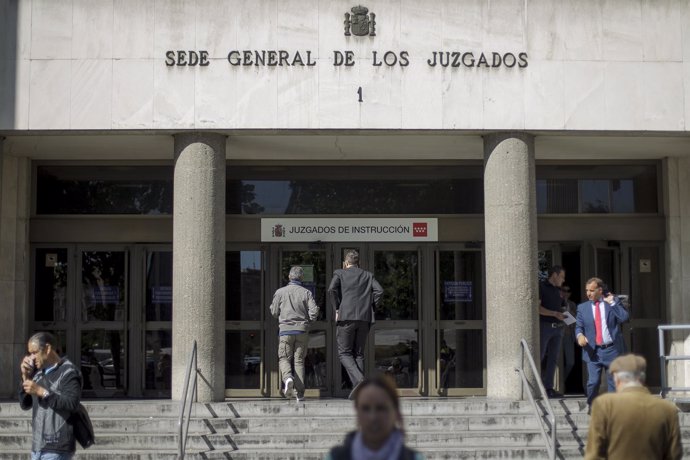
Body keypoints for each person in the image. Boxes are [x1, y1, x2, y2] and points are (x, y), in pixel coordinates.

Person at [585, 354, 681, 460]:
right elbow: (674, 454)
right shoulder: (668, 409)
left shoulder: (604, 405)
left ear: (617, 379)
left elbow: (593, 455)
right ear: (642, 379)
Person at [325, 375, 423, 460]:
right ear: (357, 412)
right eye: (365, 408)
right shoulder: (335, 457)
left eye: (380, 408)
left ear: (395, 413)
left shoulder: (414, 458)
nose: (373, 417)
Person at [328, 250, 383, 399]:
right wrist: (371, 306)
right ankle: (359, 388)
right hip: (365, 318)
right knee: (358, 353)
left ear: (346, 263)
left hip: (346, 317)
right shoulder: (367, 275)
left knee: (344, 353)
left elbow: (331, 289)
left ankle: (360, 381)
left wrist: (337, 308)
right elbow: (379, 291)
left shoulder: (340, 273)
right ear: (359, 263)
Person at [19, 332, 82, 460]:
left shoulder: (69, 372)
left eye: (34, 352)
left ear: (47, 349)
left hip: (58, 447)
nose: (31, 358)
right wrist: (25, 376)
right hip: (38, 447)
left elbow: (72, 403)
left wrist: (41, 392)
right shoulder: (38, 374)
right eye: (29, 353)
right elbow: (25, 404)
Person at [575, 277, 629, 410]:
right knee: (593, 382)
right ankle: (592, 405)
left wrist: (612, 303)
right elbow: (579, 326)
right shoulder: (582, 308)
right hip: (593, 351)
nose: (588, 293)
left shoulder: (611, 303)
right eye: (587, 290)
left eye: (592, 290)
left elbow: (624, 318)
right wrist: (580, 335)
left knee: (613, 383)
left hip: (612, 349)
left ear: (600, 290)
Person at [269, 265, 319, 402]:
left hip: (285, 330)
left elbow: (274, 312)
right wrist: (309, 321)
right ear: (301, 278)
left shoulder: (280, 292)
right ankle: (300, 393)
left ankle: (288, 378)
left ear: (289, 277)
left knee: (284, 358)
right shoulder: (306, 292)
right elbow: (314, 311)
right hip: (302, 330)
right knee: (299, 361)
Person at [538, 265, 567, 398]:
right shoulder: (541, 287)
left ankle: (549, 388)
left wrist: (566, 315)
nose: (563, 280)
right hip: (545, 326)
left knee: (553, 359)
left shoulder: (559, 290)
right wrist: (554, 313)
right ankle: (537, 387)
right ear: (554, 275)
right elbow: (537, 308)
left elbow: (562, 307)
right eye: (562, 277)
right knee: (541, 356)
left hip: (558, 328)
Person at [561, 285, 578, 387]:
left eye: (568, 291)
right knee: (555, 362)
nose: (566, 292)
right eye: (564, 290)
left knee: (570, 362)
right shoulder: (555, 301)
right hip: (556, 335)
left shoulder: (572, 304)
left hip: (568, 336)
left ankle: (561, 382)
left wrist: (567, 308)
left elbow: (575, 319)